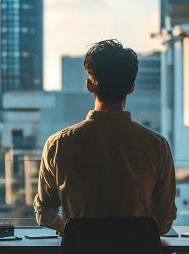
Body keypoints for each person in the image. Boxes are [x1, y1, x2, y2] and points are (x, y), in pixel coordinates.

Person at [33, 39, 177, 235]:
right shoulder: (157, 146)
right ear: (131, 88)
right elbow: (163, 221)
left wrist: (72, 230)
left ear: (89, 86)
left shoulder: (58, 144)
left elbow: (45, 213)